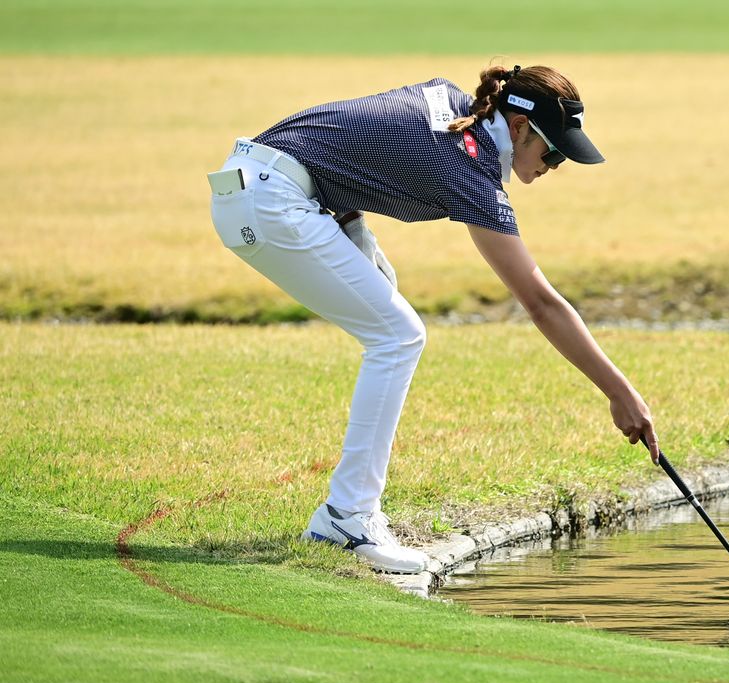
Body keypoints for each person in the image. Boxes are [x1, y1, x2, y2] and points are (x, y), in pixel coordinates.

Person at [208, 64, 659, 574]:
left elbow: (356, 145)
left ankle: (349, 514)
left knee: (390, 320)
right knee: (399, 337)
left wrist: (354, 230)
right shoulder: (469, 166)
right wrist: (620, 392)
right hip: (273, 200)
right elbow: (540, 302)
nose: (554, 165)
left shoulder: (448, 103)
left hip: (259, 187)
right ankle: (348, 516)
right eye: (551, 151)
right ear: (516, 127)